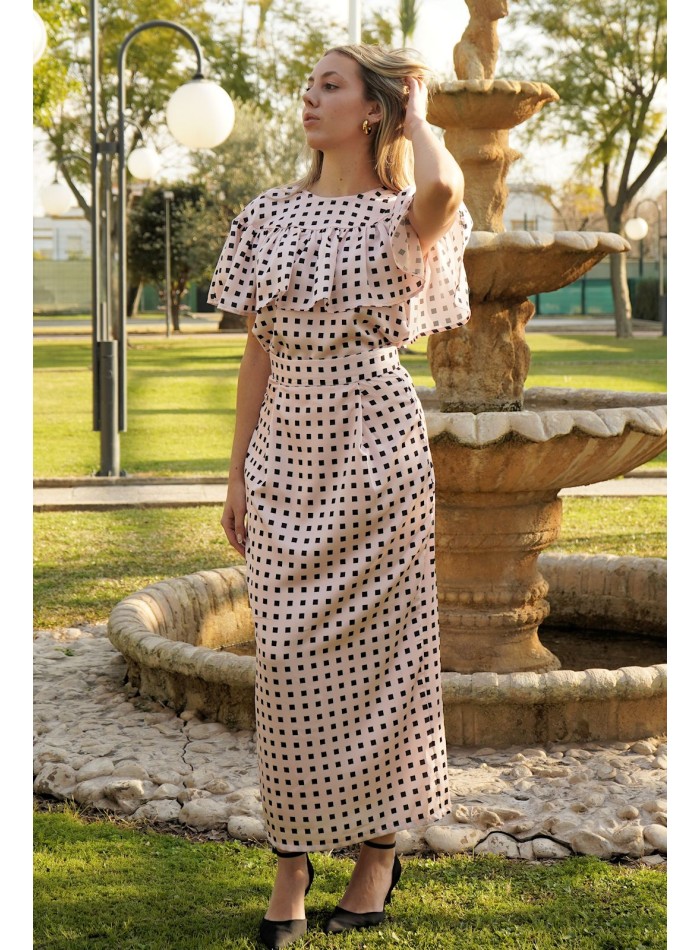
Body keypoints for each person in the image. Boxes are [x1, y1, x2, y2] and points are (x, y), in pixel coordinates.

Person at [209, 42, 472, 950]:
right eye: (309, 84)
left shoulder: (403, 213)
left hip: (379, 453)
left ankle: (376, 853)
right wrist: (237, 468)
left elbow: (446, 195)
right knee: (284, 663)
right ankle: (290, 860)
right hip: (287, 451)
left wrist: (422, 114)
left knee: (389, 664)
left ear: (373, 111)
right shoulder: (266, 216)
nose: (309, 97)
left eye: (331, 85)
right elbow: (255, 351)